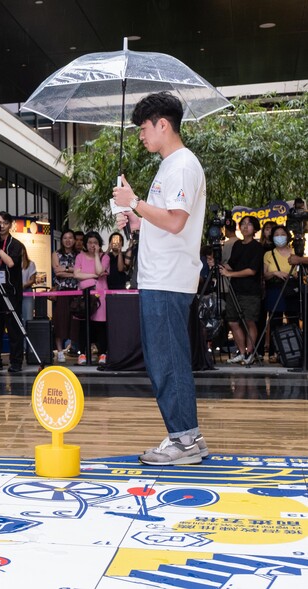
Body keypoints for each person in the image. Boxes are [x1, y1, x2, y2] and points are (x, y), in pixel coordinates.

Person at [113, 91, 208, 466]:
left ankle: (183, 441)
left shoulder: (182, 165)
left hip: (168, 279)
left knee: (167, 360)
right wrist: (134, 218)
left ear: (163, 125)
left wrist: (135, 202)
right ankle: (188, 437)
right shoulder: (169, 166)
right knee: (166, 359)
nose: (141, 135)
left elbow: (176, 220)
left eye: (144, 128)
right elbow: (163, 221)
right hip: (161, 277)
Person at [0, 212, 25, 373]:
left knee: (13, 328)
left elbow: (10, 263)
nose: (0, 226)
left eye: (3, 223)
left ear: (9, 225)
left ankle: (16, 361)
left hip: (11, 291)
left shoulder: (16, 244)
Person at [220, 215, 263, 365]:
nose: (245, 227)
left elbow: (252, 271)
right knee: (232, 321)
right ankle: (242, 352)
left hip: (250, 290)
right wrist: (220, 266)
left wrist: (230, 274)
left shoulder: (258, 247)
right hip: (234, 289)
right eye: (243, 224)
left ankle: (250, 353)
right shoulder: (237, 245)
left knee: (249, 321)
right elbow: (231, 264)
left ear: (255, 228)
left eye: (249, 224)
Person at [263, 224, 299, 362]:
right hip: (275, 289)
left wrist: (295, 275)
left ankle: (295, 350)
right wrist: (275, 273)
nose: (279, 237)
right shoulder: (268, 254)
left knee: (293, 319)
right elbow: (265, 275)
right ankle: (274, 352)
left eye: (282, 234)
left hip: (291, 290)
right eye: (276, 234)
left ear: (287, 236)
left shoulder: (295, 252)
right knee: (274, 320)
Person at [72, 231, 109, 365]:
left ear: (99, 244)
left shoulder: (105, 257)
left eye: (95, 243)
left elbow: (100, 271)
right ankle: (83, 353)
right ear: (85, 244)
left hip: (100, 295)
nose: (92, 245)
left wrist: (97, 256)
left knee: (100, 325)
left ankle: (102, 353)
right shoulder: (80, 257)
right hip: (83, 295)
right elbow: (76, 274)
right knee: (83, 324)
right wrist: (93, 276)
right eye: (89, 242)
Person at [51, 229, 80, 362]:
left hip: (76, 291)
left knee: (75, 322)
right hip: (61, 292)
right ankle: (60, 351)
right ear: (61, 240)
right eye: (65, 238)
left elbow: (81, 272)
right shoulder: (56, 254)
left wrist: (66, 269)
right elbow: (57, 272)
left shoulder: (79, 255)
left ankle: (76, 349)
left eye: (70, 238)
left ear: (74, 240)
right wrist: (73, 272)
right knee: (59, 321)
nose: (68, 240)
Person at [20, 246, 37, 323]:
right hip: (15, 292)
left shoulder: (30, 264)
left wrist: (23, 285)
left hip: (27, 291)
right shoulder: (12, 263)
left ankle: (28, 334)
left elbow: (32, 280)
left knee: (28, 316)